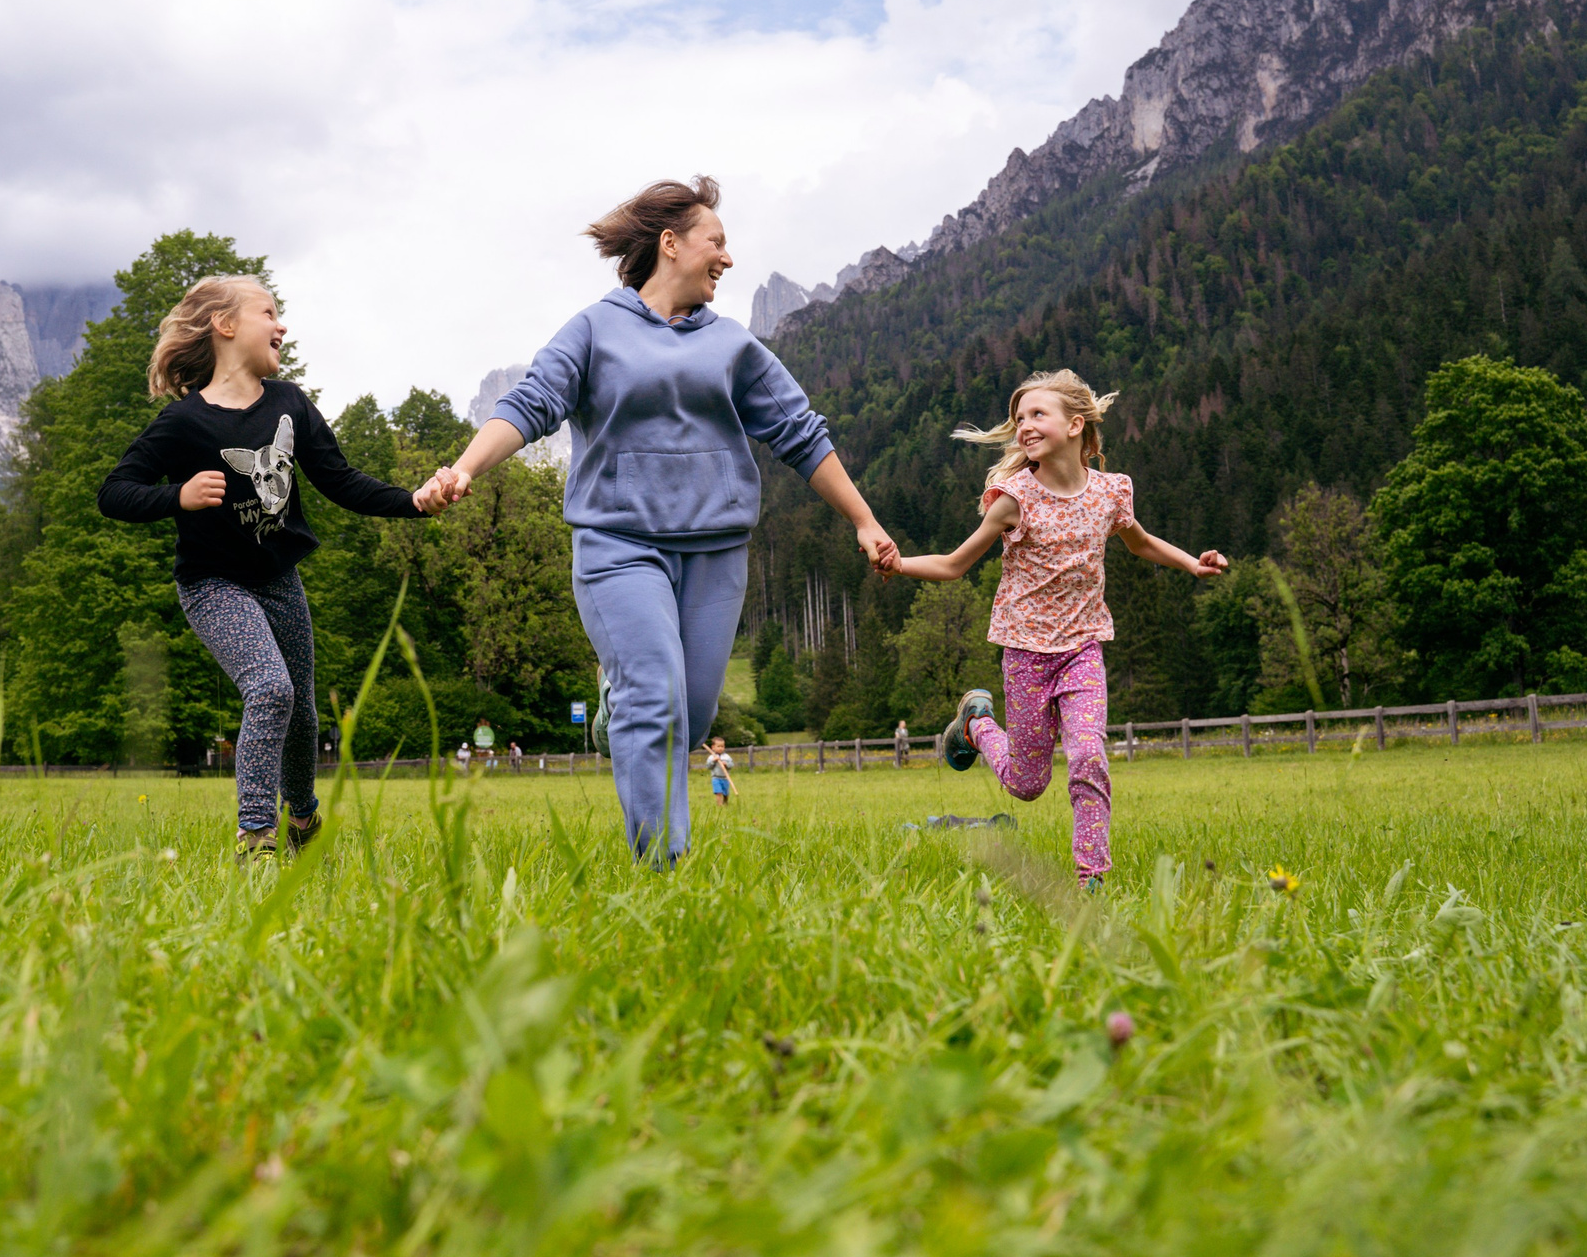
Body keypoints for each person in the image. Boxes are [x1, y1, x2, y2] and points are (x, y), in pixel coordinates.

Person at [432, 175, 896, 864]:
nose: (728, 259)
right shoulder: (595, 328)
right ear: (671, 244)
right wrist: (466, 468)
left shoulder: (733, 347)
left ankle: (623, 708)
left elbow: (800, 432)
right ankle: (661, 869)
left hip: (714, 550)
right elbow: (531, 403)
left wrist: (863, 519)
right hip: (617, 544)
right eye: (718, 242)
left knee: (693, 713)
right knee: (657, 696)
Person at [98, 275, 448, 865]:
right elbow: (114, 492)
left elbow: (341, 481)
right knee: (270, 688)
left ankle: (304, 817)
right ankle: (256, 836)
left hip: (279, 581)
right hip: (213, 585)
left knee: (303, 714)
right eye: (270, 312)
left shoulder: (288, 404)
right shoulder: (183, 423)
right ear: (225, 325)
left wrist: (412, 500)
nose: (282, 325)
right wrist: (176, 496)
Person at [886, 369, 1225, 890]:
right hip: (1025, 654)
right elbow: (955, 565)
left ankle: (1093, 878)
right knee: (1027, 785)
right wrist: (898, 564)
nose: (1024, 425)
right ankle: (976, 725)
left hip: (1083, 649)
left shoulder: (1111, 493)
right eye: (1018, 418)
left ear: (1075, 425)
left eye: (1037, 414)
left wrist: (1191, 564)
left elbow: (1140, 542)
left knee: (1088, 755)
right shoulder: (1014, 499)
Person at [705, 736, 736, 806]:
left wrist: (727, 764)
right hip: (716, 778)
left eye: (722, 746)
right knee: (718, 792)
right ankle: (719, 806)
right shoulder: (711, 757)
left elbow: (731, 765)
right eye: (718, 746)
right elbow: (708, 766)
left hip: (725, 778)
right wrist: (713, 761)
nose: (720, 748)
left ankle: (725, 803)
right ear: (713, 747)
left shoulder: (727, 757)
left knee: (725, 793)